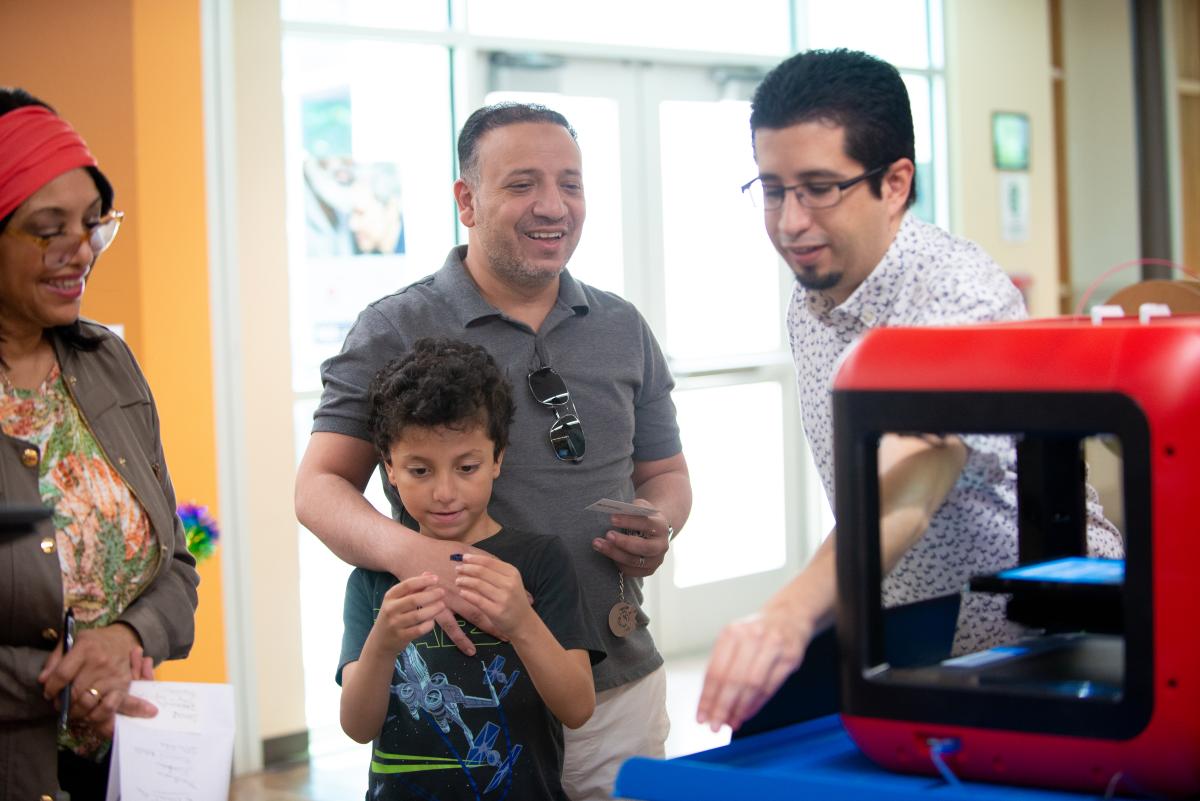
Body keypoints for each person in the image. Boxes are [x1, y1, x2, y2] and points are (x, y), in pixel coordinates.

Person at [696, 49, 1123, 733]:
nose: (789, 222)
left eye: (818, 187)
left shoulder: (955, 294)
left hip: (1040, 623)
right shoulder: (814, 297)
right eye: (773, 189)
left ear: (894, 183)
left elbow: (911, 480)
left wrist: (787, 612)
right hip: (911, 612)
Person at [296, 102, 691, 800]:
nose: (553, 205)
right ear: (467, 200)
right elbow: (319, 486)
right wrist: (413, 556)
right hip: (474, 695)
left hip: (616, 684)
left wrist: (660, 522)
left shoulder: (622, 325)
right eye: (522, 183)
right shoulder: (395, 326)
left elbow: (666, 474)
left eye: (570, 183)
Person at [0, 88, 200, 799]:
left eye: (92, 224)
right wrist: (69, 683)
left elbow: (176, 565)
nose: (80, 250)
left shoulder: (106, 361)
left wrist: (127, 640)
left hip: (122, 766)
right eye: (48, 229)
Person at [338, 337, 602, 799]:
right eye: (420, 470)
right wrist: (382, 643)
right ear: (390, 467)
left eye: (466, 467)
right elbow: (357, 727)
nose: (444, 492)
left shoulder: (541, 562)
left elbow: (578, 707)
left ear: (497, 458)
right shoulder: (373, 578)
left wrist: (521, 621)